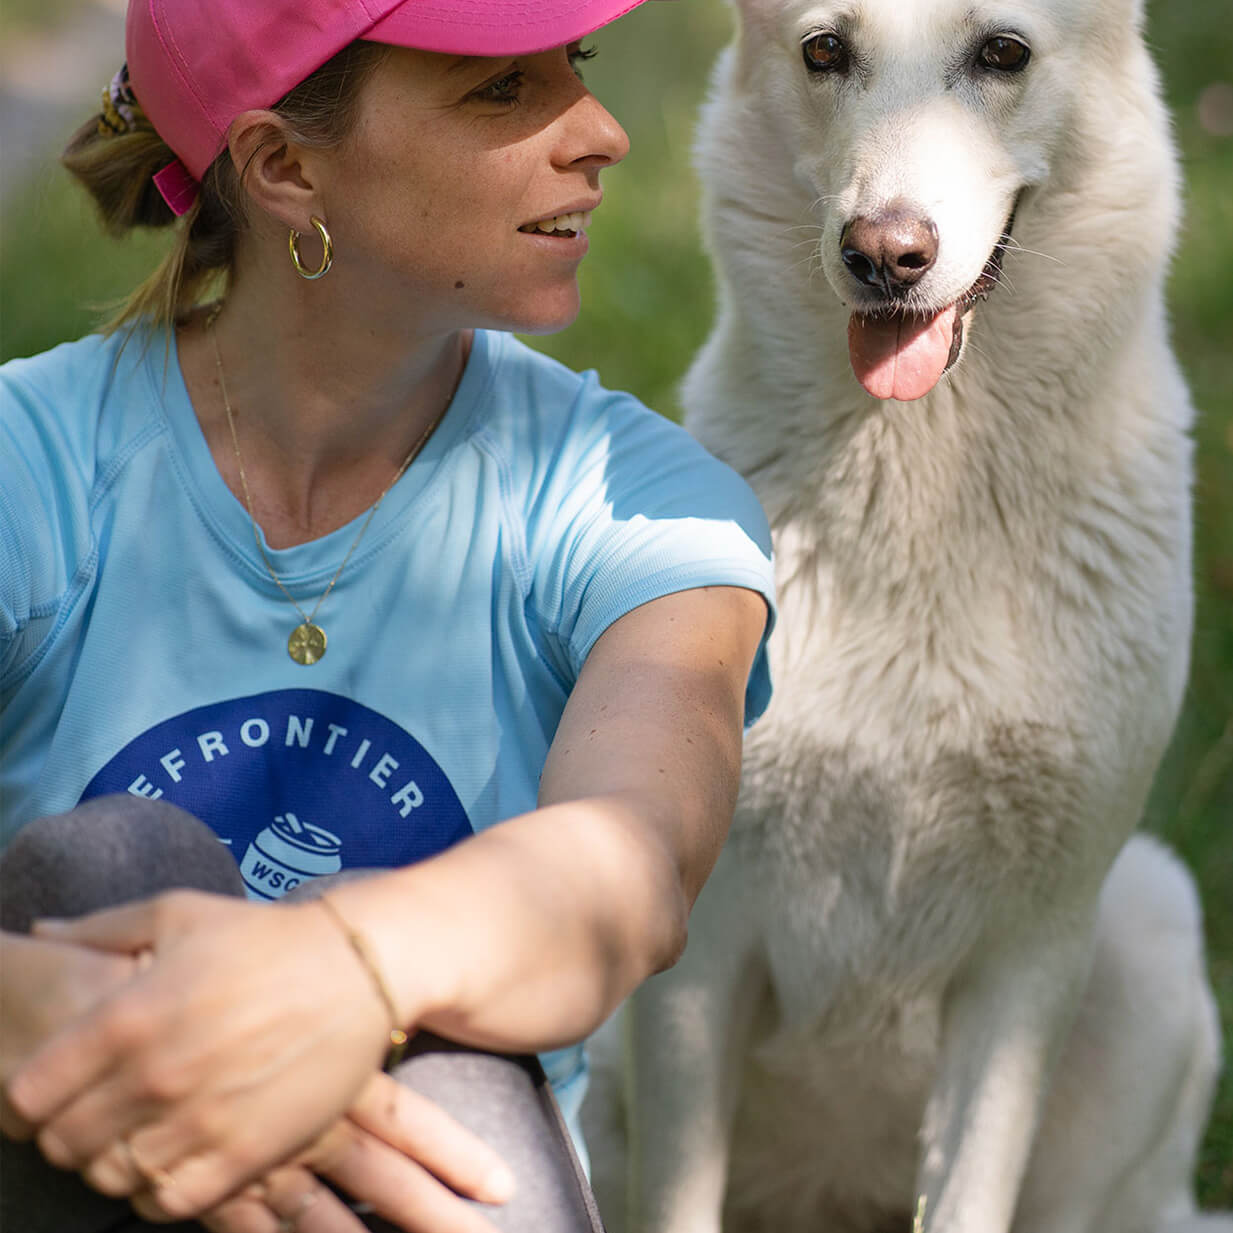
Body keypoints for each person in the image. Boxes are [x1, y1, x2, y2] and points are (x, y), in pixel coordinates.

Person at [0, 1, 775, 1230]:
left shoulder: (649, 507)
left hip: (434, 1176)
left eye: (572, 66)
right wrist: (32, 1017)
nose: (607, 132)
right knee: (106, 867)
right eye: (500, 92)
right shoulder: (28, 469)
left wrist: (338, 977)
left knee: (440, 1042)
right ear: (286, 168)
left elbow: (633, 866)